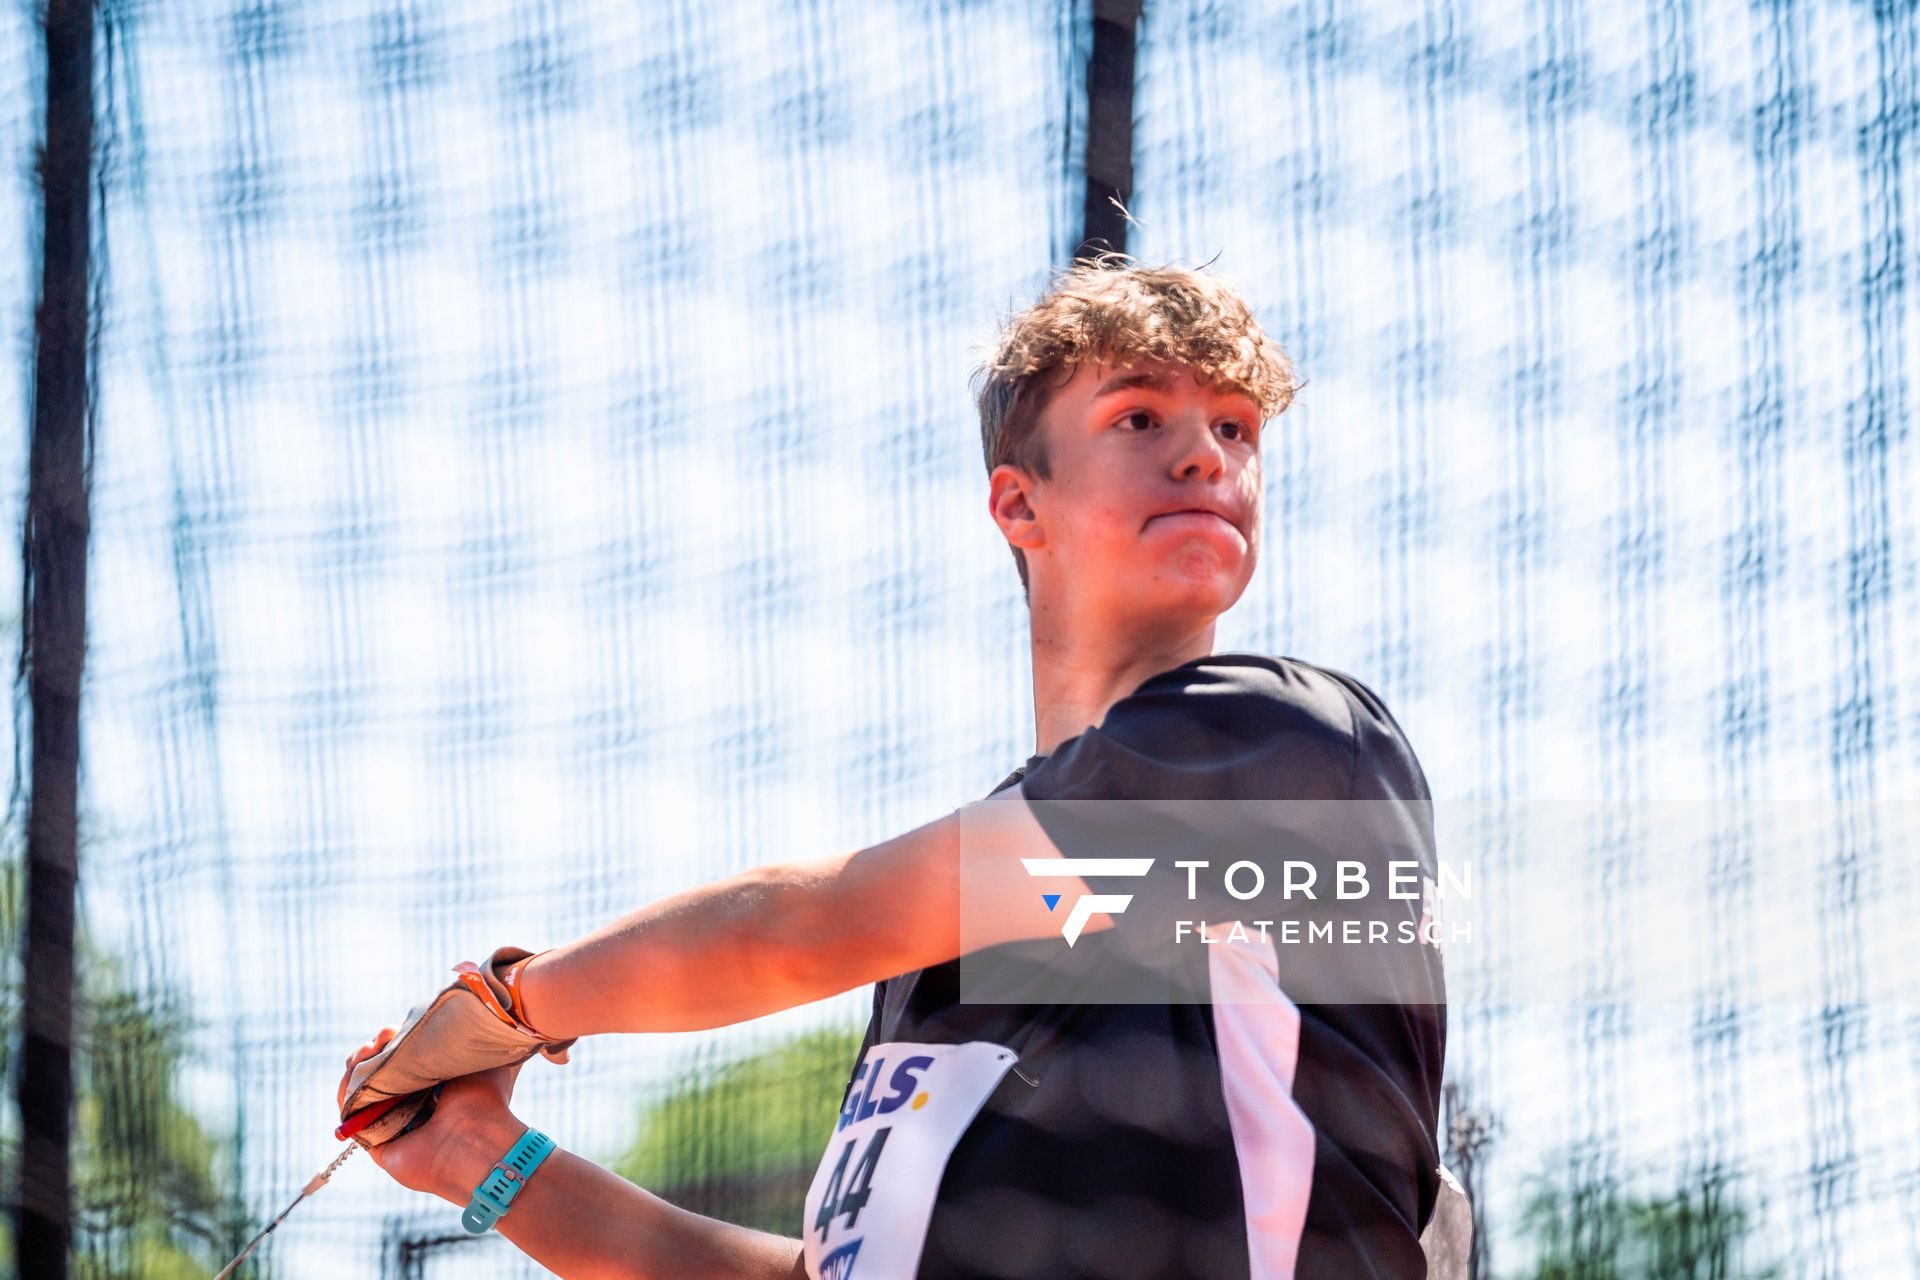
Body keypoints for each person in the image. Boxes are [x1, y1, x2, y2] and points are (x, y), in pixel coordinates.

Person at [339, 258, 1449, 1279]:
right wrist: (487, 1159)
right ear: (1020, 501)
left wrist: (508, 1001)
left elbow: (803, 929)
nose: (1208, 452)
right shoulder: (940, 962)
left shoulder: (1276, 738)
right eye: (1142, 414)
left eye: (1237, 427)